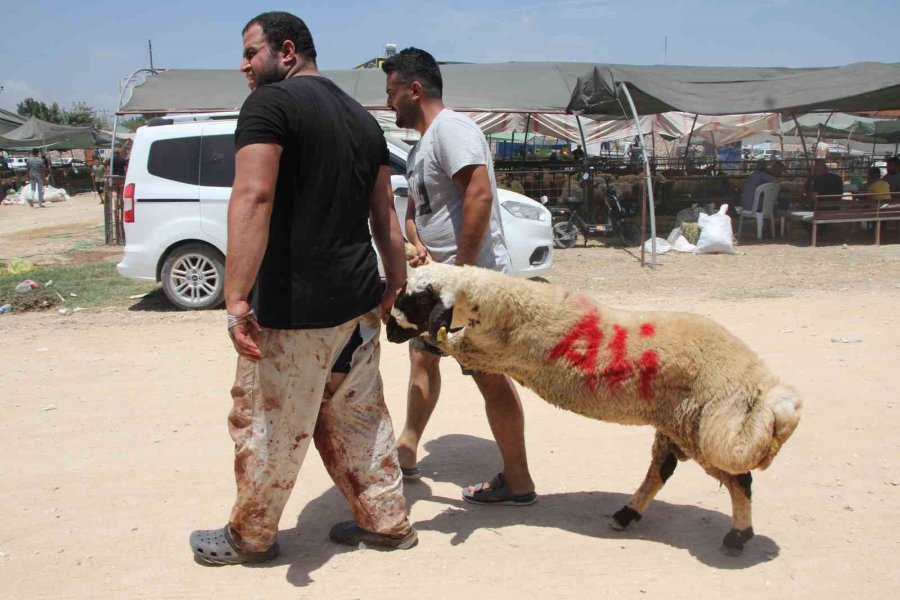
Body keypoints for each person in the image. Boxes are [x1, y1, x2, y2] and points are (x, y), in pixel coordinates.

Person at [189, 12, 416, 565]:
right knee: (359, 418)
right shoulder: (362, 120)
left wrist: (237, 297)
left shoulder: (269, 105)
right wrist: (396, 286)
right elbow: (385, 211)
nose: (243, 66)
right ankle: (387, 522)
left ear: (285, 51)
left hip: (297, 308)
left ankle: (250, 537)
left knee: (268, 421)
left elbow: (254, 196)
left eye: (250, 53)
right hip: (357, 301)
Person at [382, 48, 537, 506]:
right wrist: (417, 242)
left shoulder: (453, 130)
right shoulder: (420, 147)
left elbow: (480, 193)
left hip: (469, 290)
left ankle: (519, 480)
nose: (388, 103)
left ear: (415, 89)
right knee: (422, 359)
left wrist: (462, 274)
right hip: (439, 287)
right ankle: (407, 451)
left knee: (489, 376)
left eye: (392, 92)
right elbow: (417, 213)